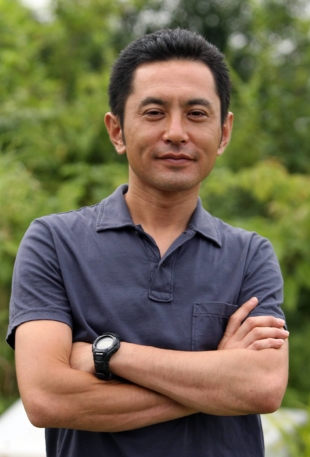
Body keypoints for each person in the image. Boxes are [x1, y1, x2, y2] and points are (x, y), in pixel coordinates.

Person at [7, 28, 289, 457]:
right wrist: (217, 383)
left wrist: (108, 355)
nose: (176, 132)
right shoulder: (54, 242)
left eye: (197, 114)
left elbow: (263, 388)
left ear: (224, 132)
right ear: (117, 130)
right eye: (154, 112)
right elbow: (48, 398)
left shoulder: (250, 254)